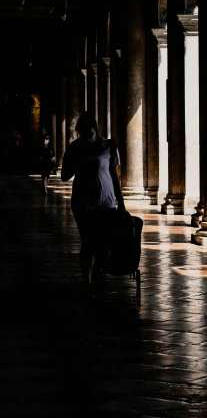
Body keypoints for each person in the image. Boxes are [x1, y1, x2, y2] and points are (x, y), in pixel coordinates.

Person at [61, 112, 126, 291]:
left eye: (88, 131)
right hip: (83, 203)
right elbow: (64, 176)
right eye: (82, 132)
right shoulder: (74, 148)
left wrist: (121, 202)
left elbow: (114, 176)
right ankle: (87, 282)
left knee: (105, 242)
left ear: (95, 129)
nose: (85, 135)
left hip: (106, 201)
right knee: (88, 242)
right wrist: (75, 160)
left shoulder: (109, 146)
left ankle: (98, 270)